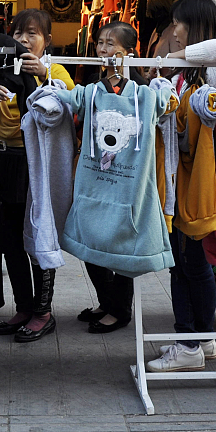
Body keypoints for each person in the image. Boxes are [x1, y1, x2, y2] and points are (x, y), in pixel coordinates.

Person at [148, 0, 216, 373]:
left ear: (195, 25)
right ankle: (202, 338)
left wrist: (174, 58)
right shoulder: (187, 76)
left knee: (190, 266)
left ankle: (189, 344)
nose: (174, 30)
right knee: (186, 265)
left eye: (179, 23)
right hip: (182, 182)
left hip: (198, 182)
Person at [0, 9, 71, 343]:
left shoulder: (55, 70)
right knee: (10, 241)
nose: (23, 40)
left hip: (33, 165)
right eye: (18, 33)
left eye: (32, 33)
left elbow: (69, 101)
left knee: (39, 237)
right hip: (1, 161)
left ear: (46, 40)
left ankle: (43, 312)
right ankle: (24, 307)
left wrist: (44, 74)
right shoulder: (0, 70)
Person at [76, 22, 142, 334]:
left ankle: (119, 310)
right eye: (100, 42)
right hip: (97, 174)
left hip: (127, 178)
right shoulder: (94, 84)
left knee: (122, 243)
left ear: (129, 51)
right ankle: (108, 300)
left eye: (111, 43)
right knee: (92, 237)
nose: (103, 49)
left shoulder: (140, 88)